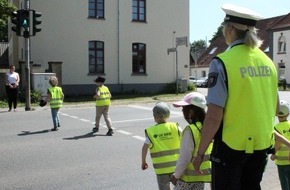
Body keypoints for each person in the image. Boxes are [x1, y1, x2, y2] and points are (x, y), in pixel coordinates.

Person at [192, 4, 279, 190]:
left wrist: (199, 153)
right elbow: (275, 106)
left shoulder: (222, 61)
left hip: (230, 147)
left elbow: (214, 115)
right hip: (261, 144)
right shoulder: (268, 62)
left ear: (230, 29)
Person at [170, 92, 212, 190]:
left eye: (184, 108)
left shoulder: (190, 130)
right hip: (201, 177)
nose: (182, 110)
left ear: (192, 111)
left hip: (187, 178)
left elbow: (185, 158)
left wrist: (176, 175)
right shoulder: (207, 127)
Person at [141, 102, 181, 190]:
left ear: (156, 117)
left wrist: (143, 161)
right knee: (179, 187)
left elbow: (145, 147)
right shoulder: (175, 127)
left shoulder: (151, 131)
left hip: (161, 170)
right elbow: (185, 140)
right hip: (177, 167)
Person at [271, 100, 290, 190]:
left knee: (284, 182)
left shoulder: (276, 127)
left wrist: (274, 154)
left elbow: (278, 143)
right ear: (288, 114)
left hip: (281, 162)